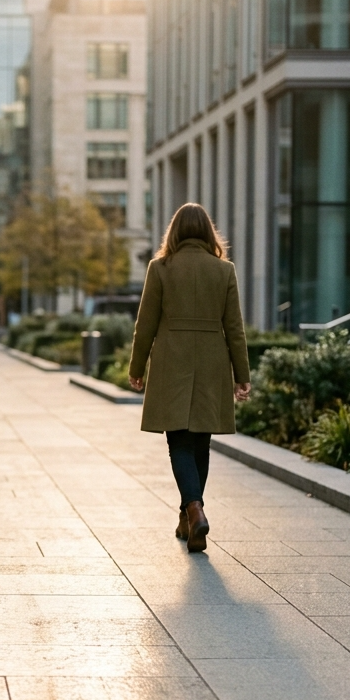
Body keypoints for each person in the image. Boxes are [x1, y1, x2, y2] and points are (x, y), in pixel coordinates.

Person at [127, 203, 250, 553]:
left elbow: (145, 325)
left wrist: (136, 369)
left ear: (175, 231)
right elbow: (235, 329)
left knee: (178, 441)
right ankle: (189, 516)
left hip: (172, 362)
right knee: (201, 442)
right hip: (212, 362)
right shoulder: (223, 270)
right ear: (209, 232)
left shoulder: (160, 268)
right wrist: (242, 375)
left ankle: (194, 510)